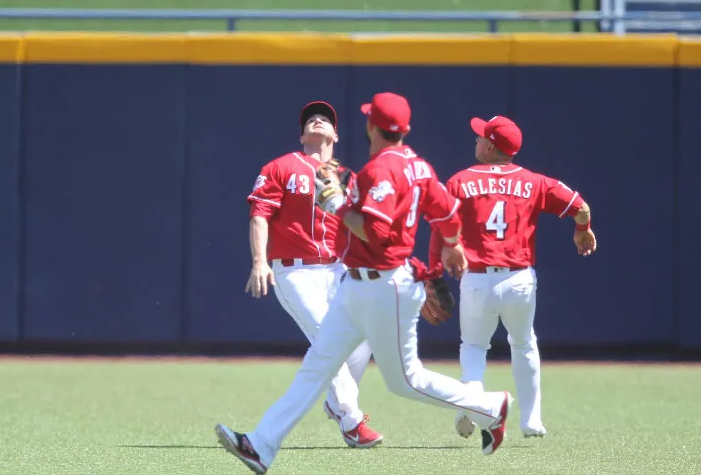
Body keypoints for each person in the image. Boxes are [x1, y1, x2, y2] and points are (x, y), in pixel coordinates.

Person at [217, 93, 513, 474]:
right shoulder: (419, 167)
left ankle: (491, 407)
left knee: (405, 381)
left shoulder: (378, 171)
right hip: (358, 285)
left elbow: (375, 232)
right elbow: (449, 215)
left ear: (371, 126)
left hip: (383, 286)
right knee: (318, 364)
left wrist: (337, 205)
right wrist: (452, 246)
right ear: (404, 129)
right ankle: (261, 445)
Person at [426, 115, 596, 440]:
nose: (476, 140)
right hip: (519, 280)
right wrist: (582, 230)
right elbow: (581, 207)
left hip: (478, 279)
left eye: (481, 136)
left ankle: (472, 405)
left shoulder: (460, 180)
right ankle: (531, 420)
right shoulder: (535, 181)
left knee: (474, 346)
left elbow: (440, 226)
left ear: (491, 146)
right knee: (524, 344)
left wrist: (433, 275)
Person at [243, 100, 382, 449]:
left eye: (325, 119)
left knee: (364, 335)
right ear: (302, 135)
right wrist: (259, 261)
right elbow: (260, 214)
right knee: (328, 337)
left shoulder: (347, 177)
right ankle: (352, 421)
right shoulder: (281, 166)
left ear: (336, 135)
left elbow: (362, 229)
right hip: (295, 271)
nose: (317, 120)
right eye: (310, 119)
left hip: (338, 269)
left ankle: (336, 403)